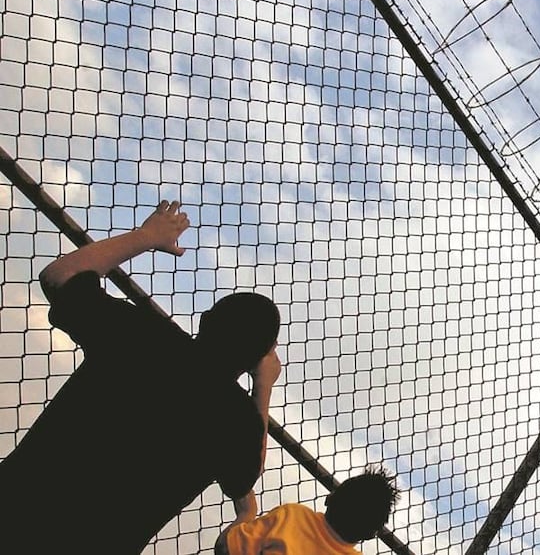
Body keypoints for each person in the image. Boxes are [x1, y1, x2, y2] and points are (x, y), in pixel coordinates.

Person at [0, 200, 282, 553]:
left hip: (14, 510)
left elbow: (59, 276)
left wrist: (147, 236)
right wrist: (264, 385)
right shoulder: (237, 422)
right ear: (255, 361)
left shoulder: (141, 335)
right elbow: (245, 475)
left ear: (206, 318)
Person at [215, 465, 400, 555]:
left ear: (330, 498)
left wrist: (246, 514)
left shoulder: (292, 516)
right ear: (369, 535)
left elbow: (225, 549)